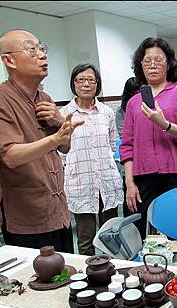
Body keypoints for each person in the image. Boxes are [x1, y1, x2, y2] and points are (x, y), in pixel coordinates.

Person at [0, 29, 83, 252]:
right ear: (9, 60)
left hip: (57, 207)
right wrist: (55, 138)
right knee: (39, 279)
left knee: (67, 271)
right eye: (31, 49)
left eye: (42, 48)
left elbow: (64, 147)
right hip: (27, 213)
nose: (42, 55)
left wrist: (58, 122)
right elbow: (10, 156)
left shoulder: (44, 98)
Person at [119, 37, 177, 239]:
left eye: (158, 60)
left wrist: (165, 125)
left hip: (176, 174)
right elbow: (127, 146)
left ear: (168, 64)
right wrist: (129, 182)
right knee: (145, 230)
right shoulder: (133, 103)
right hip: (142, 177)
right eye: (147, 61)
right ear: (140, 66)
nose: (152, 65)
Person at [59, 63, 123, 256]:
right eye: (81, 79)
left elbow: (112, 145)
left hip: (106, 182)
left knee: (109, 236)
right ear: (74, 84)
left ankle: (112, 274)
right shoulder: (64, 114)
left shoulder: (107, 112)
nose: (86, 84)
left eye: (91, 80)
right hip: (81, 183)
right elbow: (60, 152)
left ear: (97, 84)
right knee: (86, 238)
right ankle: (90, 277)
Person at [115, 77, 141, 217]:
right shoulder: (121, 111)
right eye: (134, 92)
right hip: (130, 163)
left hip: (147, 165)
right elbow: (125, 136)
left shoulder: (150, 105)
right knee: (131, 205)